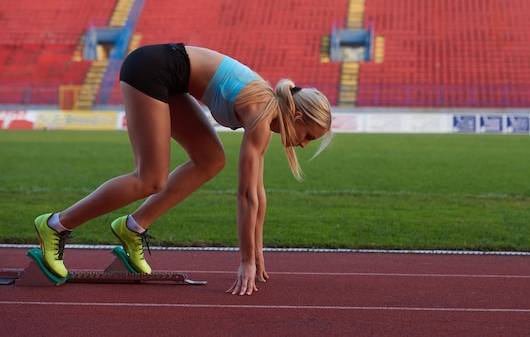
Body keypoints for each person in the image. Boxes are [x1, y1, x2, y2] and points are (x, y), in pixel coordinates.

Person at [34, 42, 333, 295]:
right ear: (295, 115)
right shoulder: (260, 114)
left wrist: (257, 253)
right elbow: (245, 196)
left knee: (211, 160)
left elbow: (258, 192)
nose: (304, 145)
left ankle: (132, 227)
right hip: (151, 69)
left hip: (172, 79)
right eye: (307, 135)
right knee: (149, 179)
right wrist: (246, 261)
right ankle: (55, 226)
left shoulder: (266, 110)